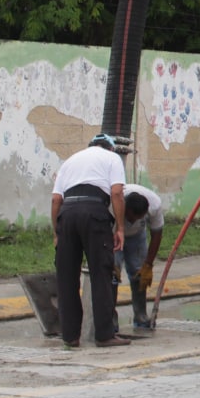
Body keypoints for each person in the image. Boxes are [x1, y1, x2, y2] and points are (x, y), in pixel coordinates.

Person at [50, 133, 130, 348]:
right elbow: (117, 193)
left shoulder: (71, 160)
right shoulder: (112, 159)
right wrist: (120, 228)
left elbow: (56, 199)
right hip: (94, 213)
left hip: (67, 215)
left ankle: (70, 336)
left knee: (66, 277)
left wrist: (57, 233)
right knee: (101, 273)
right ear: (111, 148)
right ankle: (104, 335)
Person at [117, 183, 164, 329]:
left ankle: (140, 315)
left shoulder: (154, 205)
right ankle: (109, 320)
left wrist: (148, 264)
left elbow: (157, 233)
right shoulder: (114, 203)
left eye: (136, 218)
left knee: (139, 274)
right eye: (130, 218)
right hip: (113, 233)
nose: (131, 222)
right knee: (111, 276)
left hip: (137, 237)